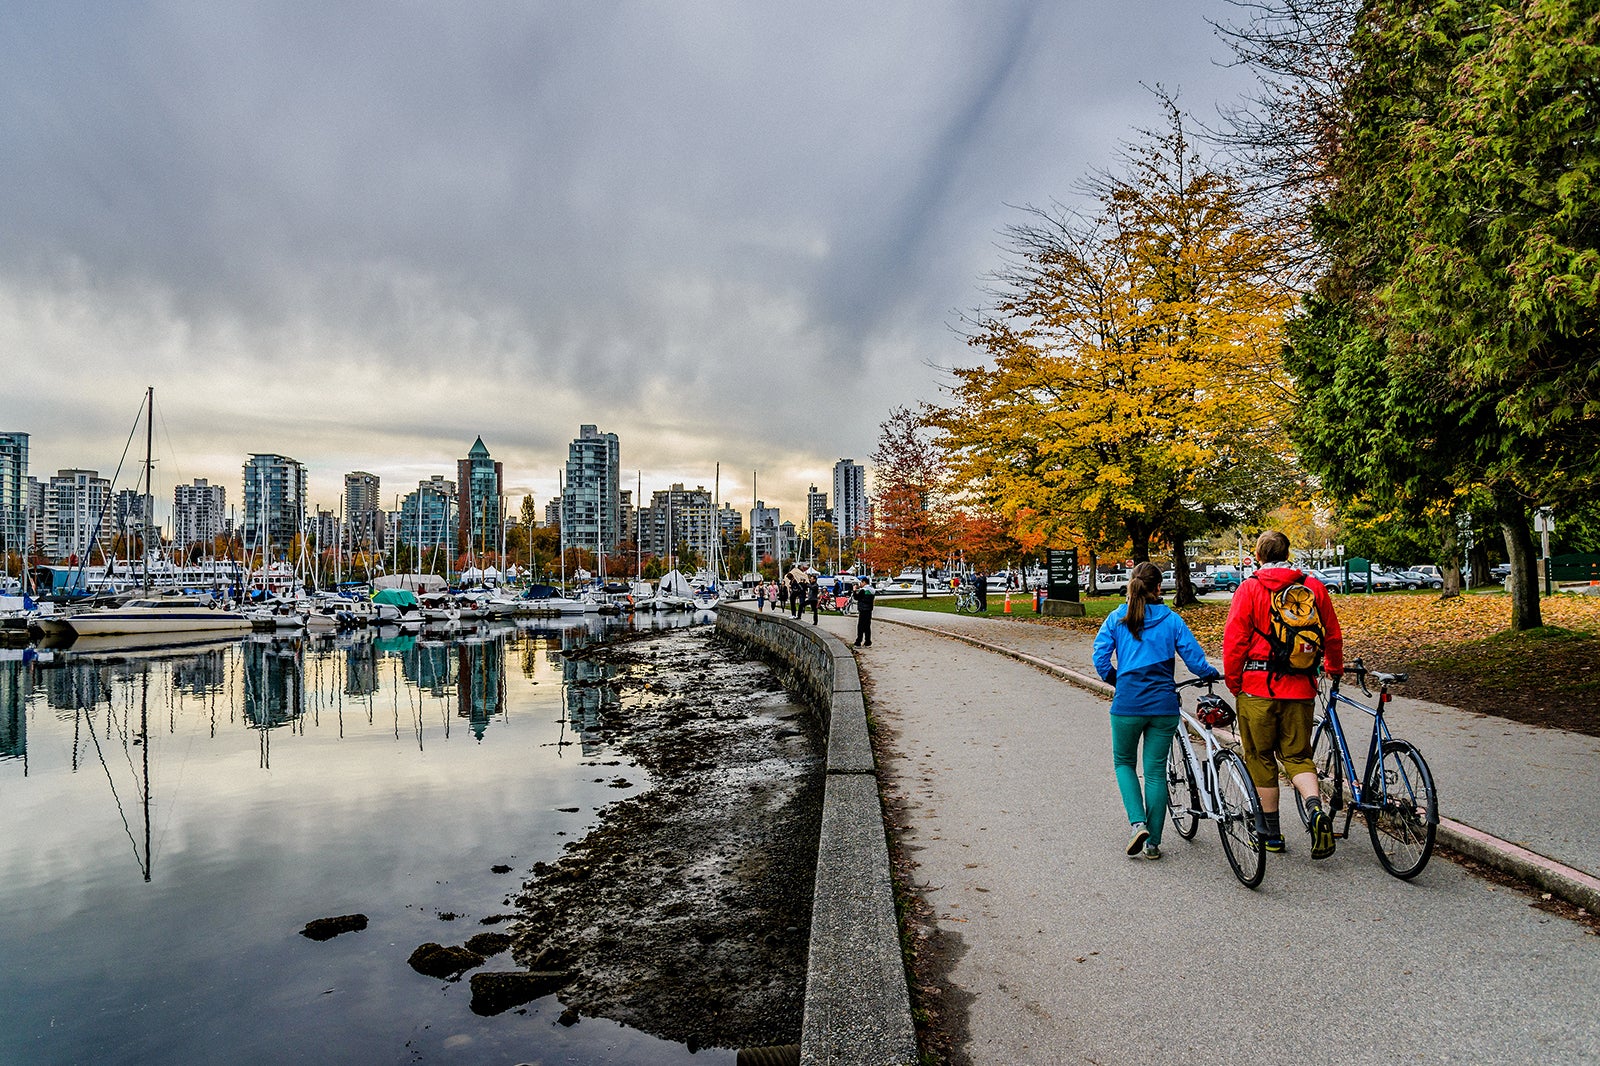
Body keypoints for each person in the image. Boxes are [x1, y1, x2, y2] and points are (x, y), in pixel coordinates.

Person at [1223, 530, 1344, 857]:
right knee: (1298, 756)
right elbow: (1331, 634)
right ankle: (1315, 809)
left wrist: (1235, 682)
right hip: (1301, 687)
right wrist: (1333, 668)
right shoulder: (1313, 586)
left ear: (1258, 556)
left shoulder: (1249, 589)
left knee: (1261, 757)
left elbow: (1235, 642)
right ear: (1288, 553)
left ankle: (1272, 834)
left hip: (1257, 687)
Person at [1092, 561, 1220, 860]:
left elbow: (1100, 659)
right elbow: (1195, 660)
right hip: (1163, 706)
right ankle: (1153, 844)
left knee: (1124, 764)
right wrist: (1210, 673)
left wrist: (1118, 680)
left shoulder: (1116, 619)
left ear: (1131, 584)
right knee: (1155, 773)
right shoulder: (1172, 620)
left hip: (1127, 705)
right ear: (1158, 587)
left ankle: (1138, 823)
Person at [853, 576, 876, 647]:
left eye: (861, 582)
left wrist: (854, 590)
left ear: (864, 582)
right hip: (869, 609)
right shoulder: (872, 590)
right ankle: (867, 641)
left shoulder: (863, 590)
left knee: (860, 626)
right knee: (867, 626)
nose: (860, 584)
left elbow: (856, 597)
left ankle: (858, 641)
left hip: (863, 610)